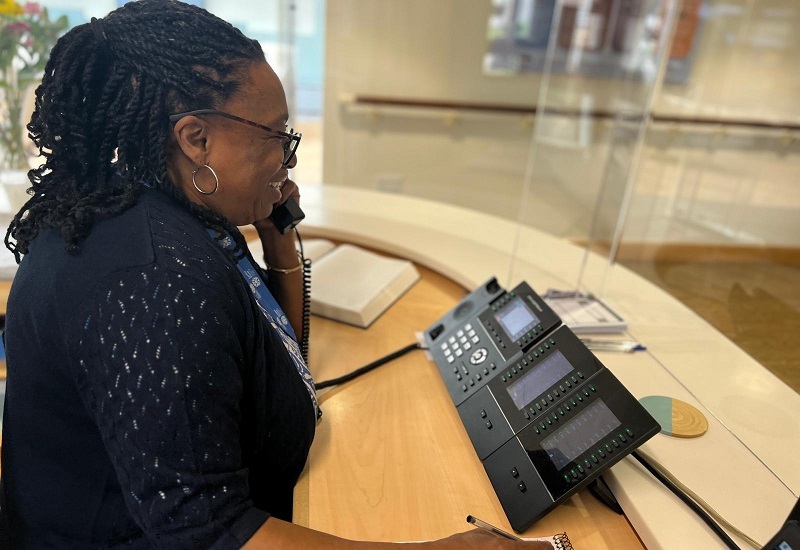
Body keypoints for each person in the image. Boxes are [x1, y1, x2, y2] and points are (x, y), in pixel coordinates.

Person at [0, 1, 552, 548]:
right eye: (275, 135)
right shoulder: (156, 279)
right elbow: (210, 531)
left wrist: (279, 241)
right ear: (195, 139)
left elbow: (269, 354)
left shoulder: (163, 203)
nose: (288, 158)